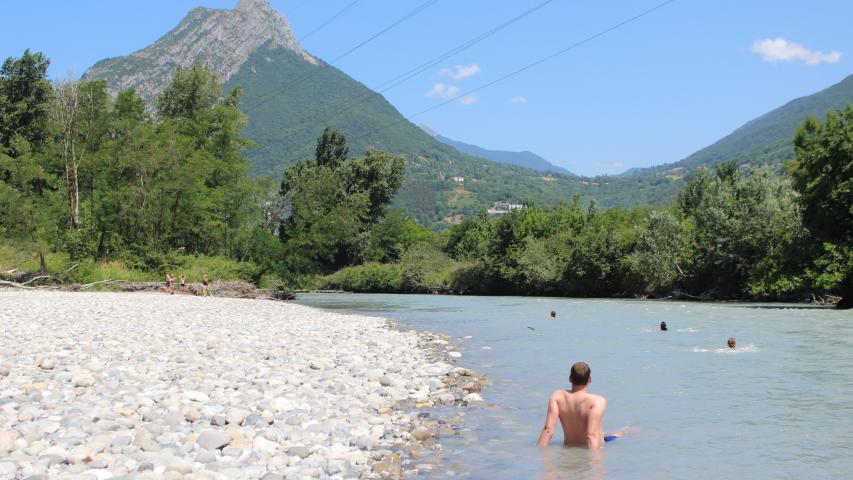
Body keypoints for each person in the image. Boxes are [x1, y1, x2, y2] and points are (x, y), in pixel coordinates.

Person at [537, 362, 613, 448]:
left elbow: (548, 430)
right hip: (589, 450)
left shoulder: (557, 396)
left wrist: (539, 455)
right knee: (623, 432)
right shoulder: (597, 401)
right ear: (590, 379)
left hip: (568, 452)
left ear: (570, 379)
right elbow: (591, 435)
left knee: (615, 433)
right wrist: (594, 460)